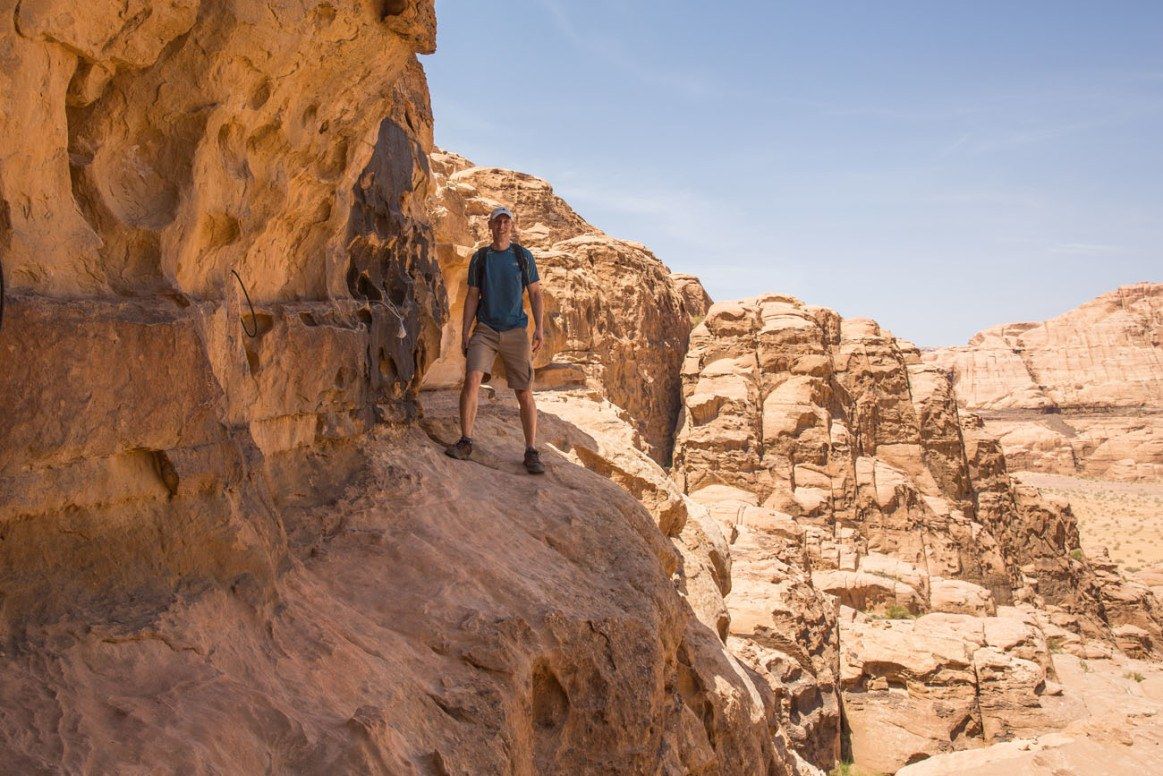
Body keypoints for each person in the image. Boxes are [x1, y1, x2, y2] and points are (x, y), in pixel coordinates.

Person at [445, 206, 546, 474]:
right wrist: (466, 331)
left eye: (506, 221)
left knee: (524, 391)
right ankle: (466, 441)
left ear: (511, 226)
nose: (502, 226)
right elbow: (472, 296)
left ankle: (531, 450)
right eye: (497, 222)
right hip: (486, 329)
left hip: (515, 331)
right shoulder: (481, 258)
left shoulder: (522, 256)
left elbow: (535, 294)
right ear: (489, 225)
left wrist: (539, 329)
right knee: (472, 379)